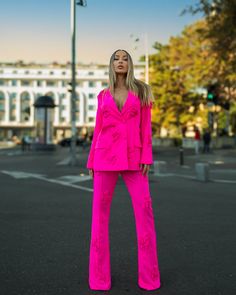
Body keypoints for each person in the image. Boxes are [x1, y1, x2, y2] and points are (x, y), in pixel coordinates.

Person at [86, 49, 161, 291]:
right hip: (103, 158)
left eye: (124, 58)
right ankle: (99, 279)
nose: (120, 62)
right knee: (99, 219)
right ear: (111, 65)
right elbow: (97, 130)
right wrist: (90, 161)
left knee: (144, 216)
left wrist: (147, 156)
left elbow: (145, 127)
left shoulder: (142, 91)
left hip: (134, 159)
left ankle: (149, 278)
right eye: (116, 59)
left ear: (130, 64)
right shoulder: (102, 95)